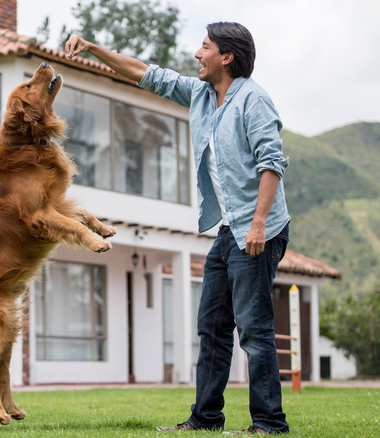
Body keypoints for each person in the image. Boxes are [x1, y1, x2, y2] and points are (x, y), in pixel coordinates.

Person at [65, 22, 290, 435]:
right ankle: (205, 419)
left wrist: (258, 224)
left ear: (227, 57)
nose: (195, 54)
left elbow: (271, 163)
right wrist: (94, 47)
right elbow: (145, 73)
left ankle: (269, 423)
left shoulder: (253, 100)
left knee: (254, 331)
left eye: (204, 47)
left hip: (258, 228)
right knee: (212, 326)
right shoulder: (202, 95)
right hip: (229, 229)